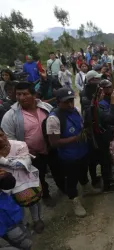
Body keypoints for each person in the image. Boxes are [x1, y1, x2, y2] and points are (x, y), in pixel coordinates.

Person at [1, 82, 64, 207]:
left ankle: (63, 187)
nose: (21, 97)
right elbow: (8, 139)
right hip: (31, 155)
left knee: (58, 170)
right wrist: (24, 153)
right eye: (18, 94)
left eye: (25, 94)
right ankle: (45, 195)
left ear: (34, 95)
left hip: (51, 149)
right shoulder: (10, 116)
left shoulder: (45, 107)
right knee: (38, 176)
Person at [46, 88, 100, 217]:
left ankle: (86, 188)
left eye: (71, 101)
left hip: (82, 150)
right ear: (58, 102)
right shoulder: (53, 119)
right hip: (69, 156)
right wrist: (75, 139)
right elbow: (54, 143)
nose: (70, 104)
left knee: (83, 171)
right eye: (66, 102)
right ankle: (74, 200)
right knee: (71, 180)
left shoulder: (74, 111)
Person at [0, 131, 44, 233]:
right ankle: (23, 224)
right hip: (8, 185)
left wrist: (2, 161)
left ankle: (36, 220)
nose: (1, 139)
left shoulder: (19, 144)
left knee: (32, 201)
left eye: (1, 135)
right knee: (17, 205)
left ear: (5, 134)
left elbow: (25, 163)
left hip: (26, 180)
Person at [0, 170, 32, 250]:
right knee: (22, 243)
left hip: (12, 214)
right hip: (5, 223)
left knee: (24, 239)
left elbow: (9, 182)